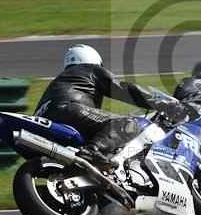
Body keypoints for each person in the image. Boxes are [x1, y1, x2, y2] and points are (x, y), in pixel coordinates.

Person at [34, 44, 185, 165]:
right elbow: (124, 89)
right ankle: (93, 150)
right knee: (127, 122)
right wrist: (162, 104)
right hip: (68, 109)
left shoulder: (61, 79)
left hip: (44, 116)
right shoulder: (90, 69)